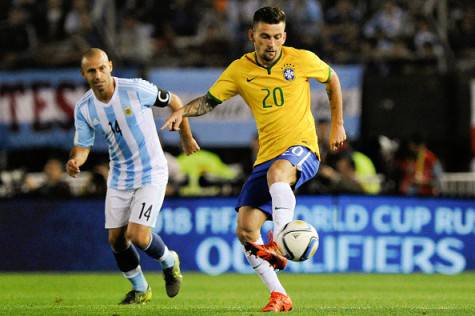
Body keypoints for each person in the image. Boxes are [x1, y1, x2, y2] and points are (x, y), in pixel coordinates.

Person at [162, 7, 346, 312]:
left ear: (284, 36)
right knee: (246, 230)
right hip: (267, 157)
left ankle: (282, 235)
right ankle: (279, 295)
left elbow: (332, 79)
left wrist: (338, 124)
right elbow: (209, 101)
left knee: (278, 174)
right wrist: (182, 112)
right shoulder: (239, 70)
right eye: (264, 36)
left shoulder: (301, 59)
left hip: (303, 150)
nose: (271, 43)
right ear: (252, 36)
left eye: (276, 36)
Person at [66, 48, 199, 304]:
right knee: (116, 240)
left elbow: (175, 101)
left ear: (111, 66)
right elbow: (83, 146)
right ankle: (141, 289)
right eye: (91, 71)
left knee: (137, 235)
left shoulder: (135, 89)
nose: (97, 75)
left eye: (101, 68)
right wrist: (75, 161)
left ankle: (170, 261)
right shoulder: (84, 108)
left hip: (151, 170)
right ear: (84, 74)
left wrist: (186, 136)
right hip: (119, 175)